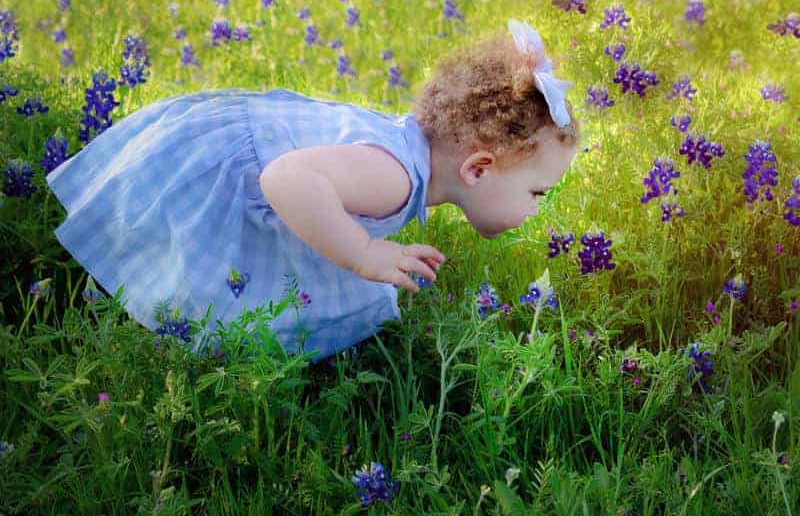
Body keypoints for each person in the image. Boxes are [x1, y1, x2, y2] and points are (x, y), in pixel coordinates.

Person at [46, 19, 580, 364]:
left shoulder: (409, 156)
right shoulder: (393, 178)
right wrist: (365, 253)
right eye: (538, 193)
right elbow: (285, 180)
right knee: (192, 273)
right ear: (479, 168)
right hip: (226, 166)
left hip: (243, 145)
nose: (538, 208)